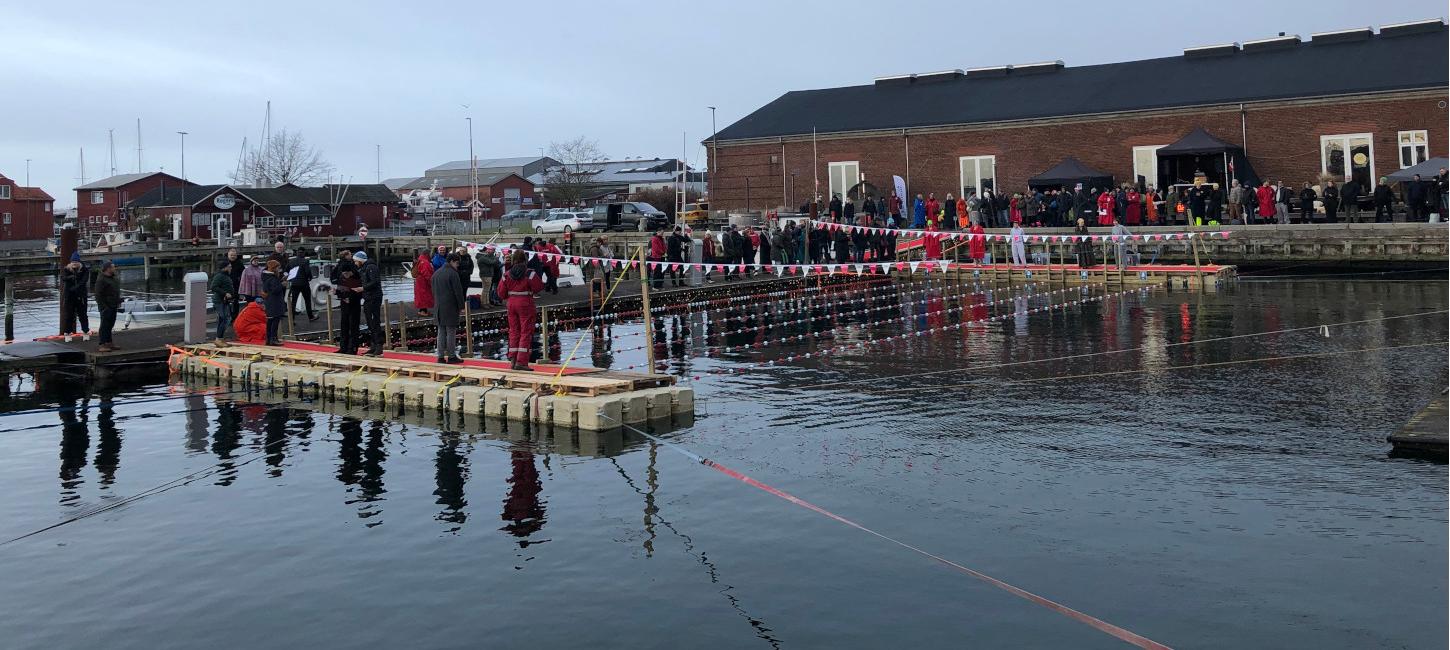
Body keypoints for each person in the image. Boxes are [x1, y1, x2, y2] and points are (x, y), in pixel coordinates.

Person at [496, 250, 544, 371]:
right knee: (525, 332)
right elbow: (539, 287)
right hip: (525, 303)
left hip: (511, 303)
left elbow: (501, 293)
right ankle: (521, 362)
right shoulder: (529, 273)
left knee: (514, 331)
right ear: (525, 260)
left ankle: (512, 360)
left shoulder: (506, 274)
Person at [431, 253, 466, 364]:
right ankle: (451, 356)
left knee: (441, 332)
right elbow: (458, 292)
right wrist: (461, 306)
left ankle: (440, 356)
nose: (458, 266)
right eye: (457, 263)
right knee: (451, 331)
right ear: (452, 261)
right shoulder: (453, 274)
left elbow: (433, 291)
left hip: (438, 306)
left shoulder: (436, 274)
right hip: (450, 306)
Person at [356, 251, 384, 356]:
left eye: (356, 261)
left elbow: (375, 281)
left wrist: (363, 288)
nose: (355, 263)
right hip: (368, 297)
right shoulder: (363, 268)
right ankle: (373, 345)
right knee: (370, 323)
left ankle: (379, 346)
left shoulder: (371, 267)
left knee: (374, 322)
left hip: (374, 297)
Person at [333, 263, 363, 354]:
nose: (345, 276)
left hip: (354, 305)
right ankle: (343, 347)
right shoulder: (342, 277)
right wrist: (336, 292)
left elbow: (359, 293)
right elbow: (340, 290)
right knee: (344, 326)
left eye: (346, 274)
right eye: (343, 274)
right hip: (344, 305)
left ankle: (352, 348)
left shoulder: (356, 278)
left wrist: (350, 298)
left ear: (350, 272)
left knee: (353, 327)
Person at [60, 252, 91, 335]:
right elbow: (63, 278)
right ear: (70, 262)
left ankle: (85, 330)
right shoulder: (67, 269)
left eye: (76, 262)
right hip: (70, 296)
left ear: (79, 262)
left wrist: (76, 287)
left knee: (83, 314)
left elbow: (84, 280)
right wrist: (71, 277)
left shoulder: (84, 270)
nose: (74, 264)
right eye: (73, 262)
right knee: (69, 314)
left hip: (81, 296)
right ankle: (67, 331)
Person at [93, 261, 121, 351]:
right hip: (106, 305)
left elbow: (115, 291)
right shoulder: (101, 279)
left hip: (113, 304)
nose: (114, 268)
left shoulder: (113, 278)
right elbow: (98, 294)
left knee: (110, 324)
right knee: (104, 325)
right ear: (108, 269)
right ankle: (102, 344)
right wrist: (104, 306)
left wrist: (118, 301)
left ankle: (109, 342)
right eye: (112, 267)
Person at [287, 247, 317, 321]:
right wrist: (310, 277)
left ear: (297, 253)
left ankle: (292, 319)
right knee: (307, 300)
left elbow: (287, 271)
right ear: (303, 253)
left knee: (293, 302)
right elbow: (307, 272)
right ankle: (311, 316)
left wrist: (291, 279)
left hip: (294, 284)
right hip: (304, 283)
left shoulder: (291, 261)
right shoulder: (305, 261)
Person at [261, 259, 287, 346]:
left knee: (270, 320)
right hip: (274, 301)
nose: (279, 269)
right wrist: (282, 284)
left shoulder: (266, 276)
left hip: (269, 301)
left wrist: (279, 281)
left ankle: (269, 339)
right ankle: (273, 339)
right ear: (274, 268)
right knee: (275, 320)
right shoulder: (271, 278)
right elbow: (275, 290)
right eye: (278, 267)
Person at [210, 261, 236, 342]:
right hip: (219, 301)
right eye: (229, 266)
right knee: (225, 319)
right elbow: (213, 287)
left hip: (225, 301)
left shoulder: (226, 276)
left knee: (225, 319)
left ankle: (220, 338)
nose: (231, 268)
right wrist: (225, 293)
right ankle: (219, 338)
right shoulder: (219, 276)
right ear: (225, 268)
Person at [412, 248, 435, 317]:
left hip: (420, 282)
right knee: (424, 297)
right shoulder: (425, 262)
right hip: (423, 283)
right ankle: (422, 311)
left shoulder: (420, 260)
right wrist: (431, 282)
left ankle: (423, 310)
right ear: (427, 254)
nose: (431, 255)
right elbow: (427, 274)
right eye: (430, 254)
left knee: (422, 297)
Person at [225, 247, 243, 323]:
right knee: (226, 302)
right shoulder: (225, 263)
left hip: (236, 285)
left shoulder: (239, 263)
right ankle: (227, 317)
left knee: (235, 302)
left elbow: (243, 274)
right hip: (226, 286)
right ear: (228, 255)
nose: (233, 256)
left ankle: (235, 317)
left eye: (234, 255)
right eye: (231, 255)